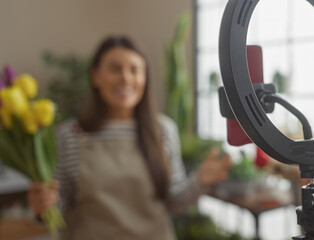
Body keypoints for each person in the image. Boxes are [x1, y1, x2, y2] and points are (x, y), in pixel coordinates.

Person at [27, 36, 232, 240]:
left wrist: (200, 181)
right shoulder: (71, 134)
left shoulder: (163, 130)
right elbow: (60, 207)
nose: (126, 78)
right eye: (115, 69)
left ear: (145, 78)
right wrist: (44, 206)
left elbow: (174, 201)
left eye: (135, 70)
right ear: (95, 76)